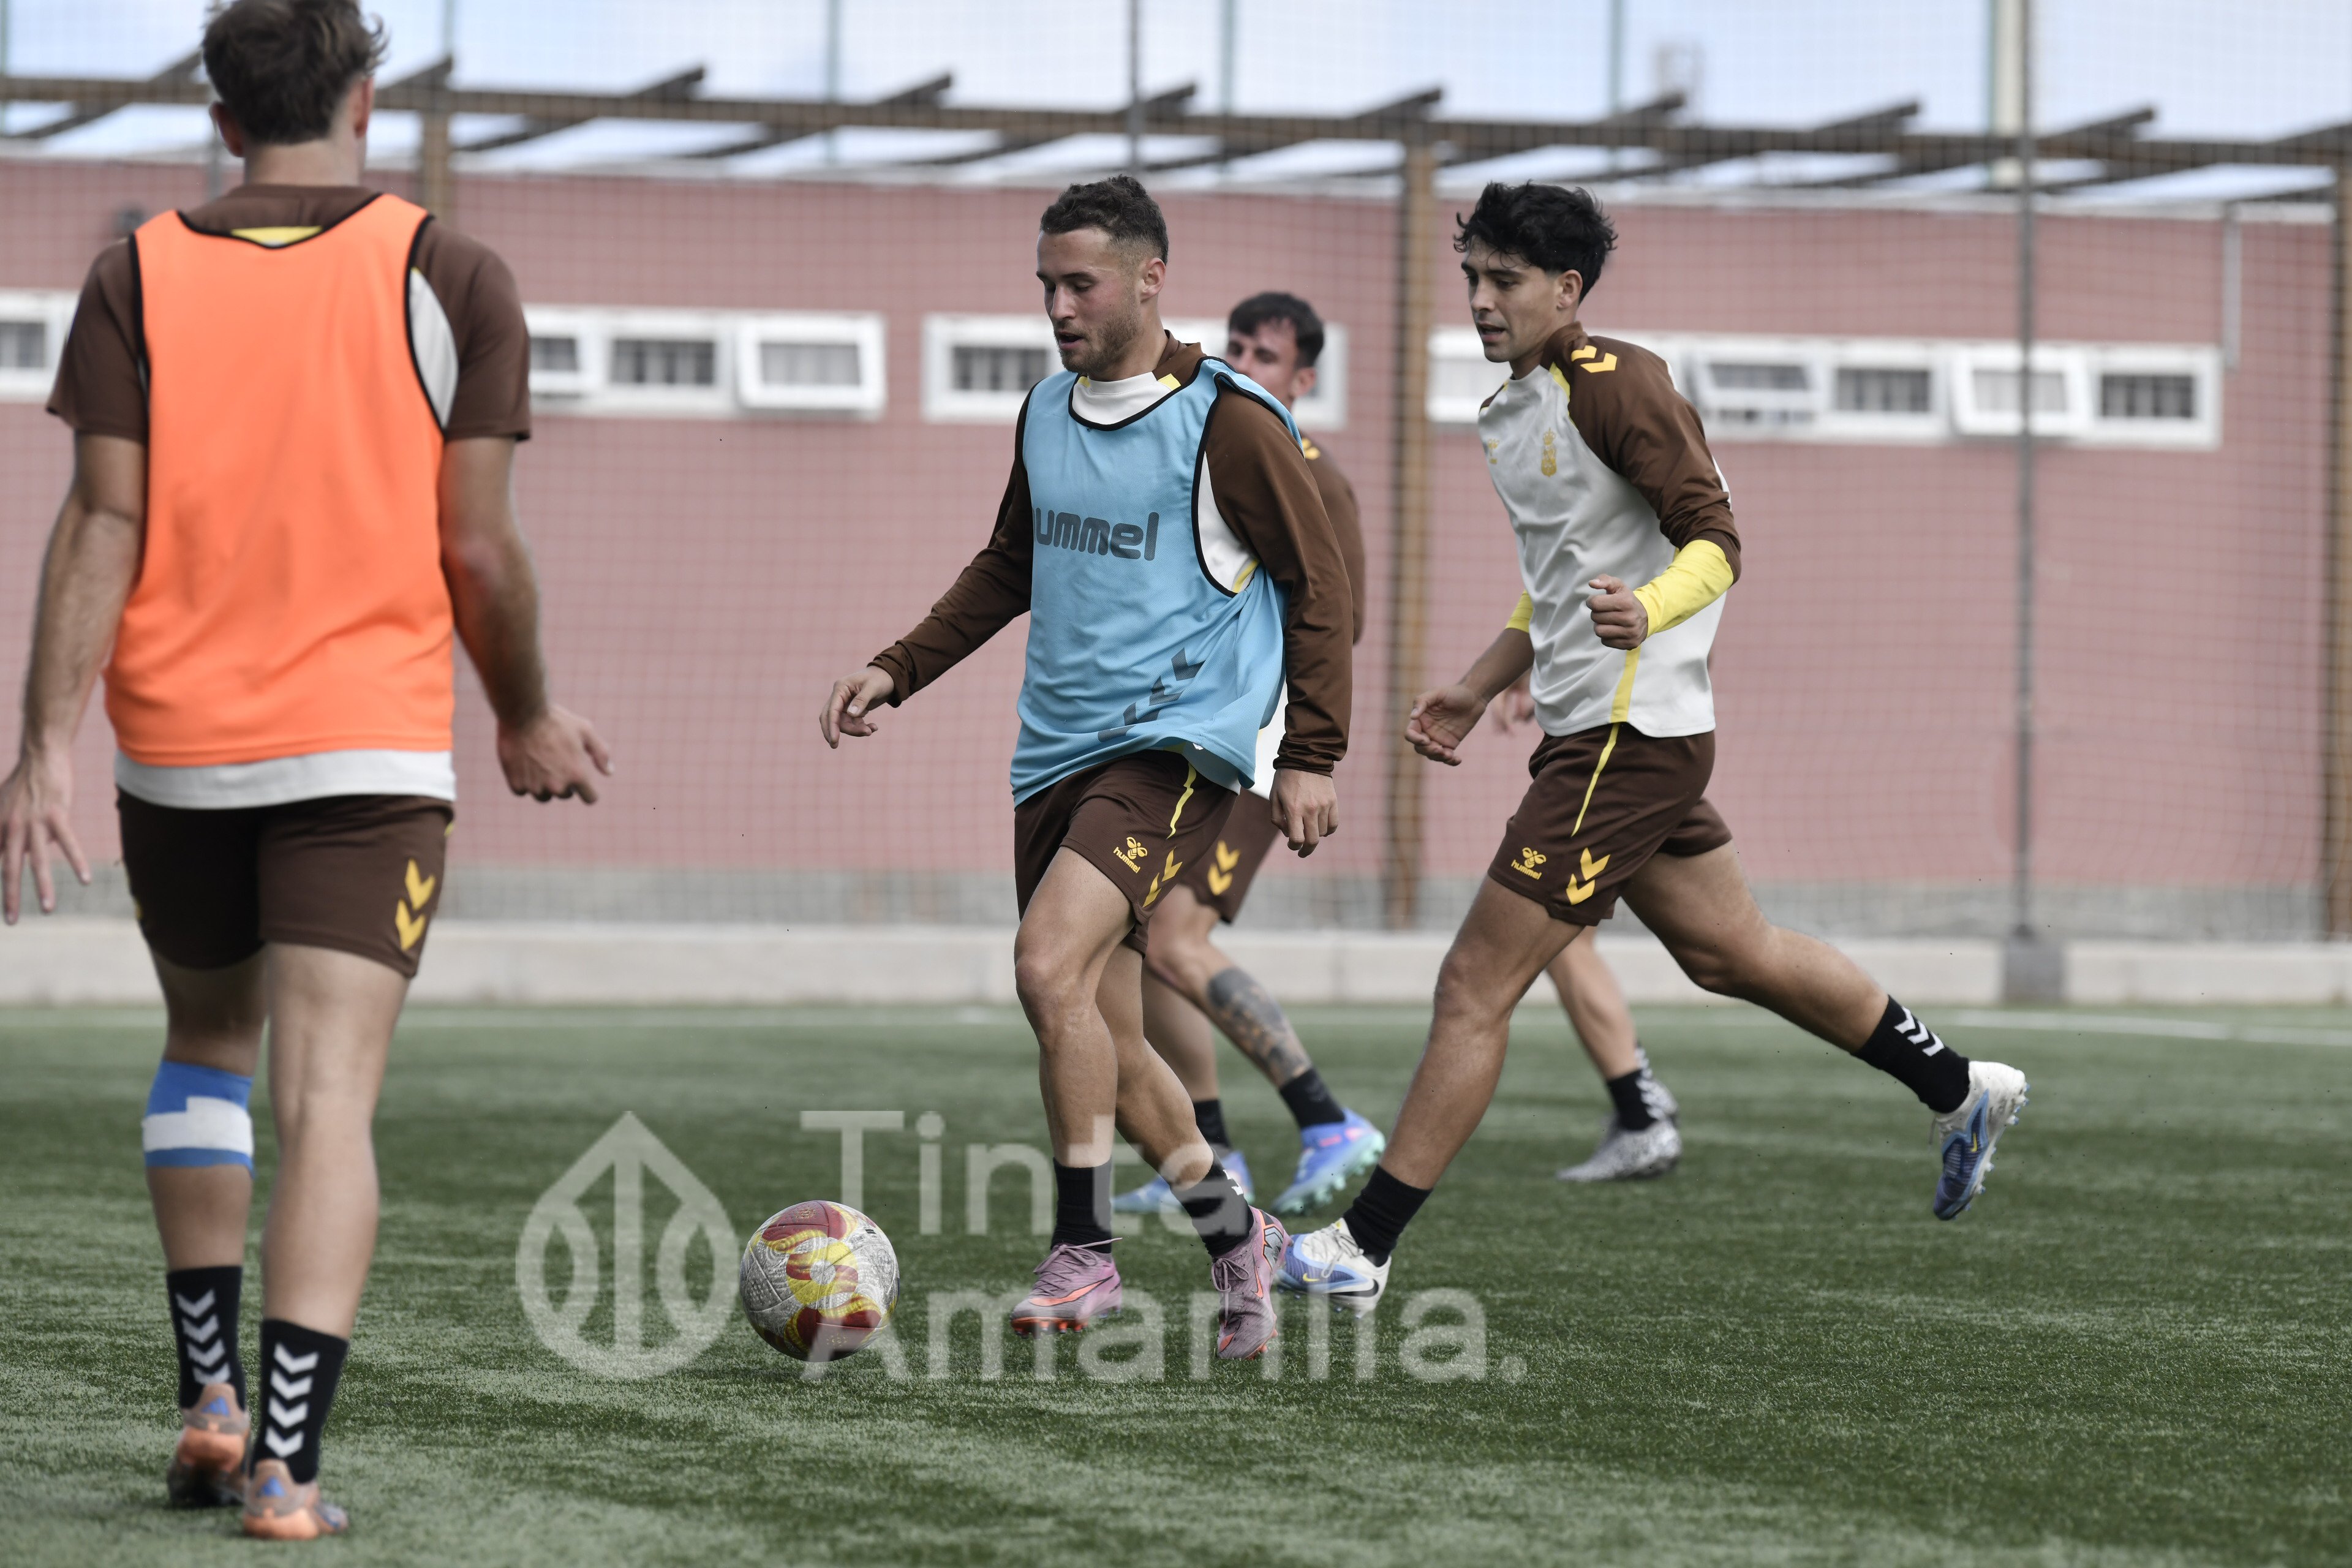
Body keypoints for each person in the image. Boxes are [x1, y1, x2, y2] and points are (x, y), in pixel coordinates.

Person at [0, 0, 609, 1537]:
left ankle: (206, 1402)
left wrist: (41, 748)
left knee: (205, 1048)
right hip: (365, 743)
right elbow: (477, 542)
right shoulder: (446, 270)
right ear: (366, 95)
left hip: (177, 750)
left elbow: (99, 525)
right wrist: (526, 709)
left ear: (220, 118)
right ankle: (287, 1464)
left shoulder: (133, 271)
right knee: (326, 1096)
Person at [1281, 182, 2028, 1316]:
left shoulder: (1619, 383)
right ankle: (1959, 1087)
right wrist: (1483, 687)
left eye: (1506, 281)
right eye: (1473, 277)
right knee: (1732, 953)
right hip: (1609, 735)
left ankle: (1364, 1246)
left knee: (1474, 984)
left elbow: (1715, 540)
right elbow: (1558, 584)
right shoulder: (1513, 407)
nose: (1481, 301)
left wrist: (1656, 608)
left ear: (1567, 289)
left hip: (1626, 746)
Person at [820, 177, 1354, 1360]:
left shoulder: (1232, 420)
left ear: (1152, 277)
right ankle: (1240, 1240)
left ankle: (1086, 1252)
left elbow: (1320, 589)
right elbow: (1009, 563)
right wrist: (897, 667)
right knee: (1105, 1035)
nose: (1059, 307)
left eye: (1082, 284)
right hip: (1050, 758)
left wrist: (1312, 754)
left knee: (1044, 966)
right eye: (1048, 286)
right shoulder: (1046, 412)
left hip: (1170, 751)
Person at [1112, 292, 1385, 1219]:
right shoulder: (1211, 444)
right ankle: (1211, 1146)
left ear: (1303, 380)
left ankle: (1326, 1118)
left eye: (1263, 355)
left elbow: (1335, 621)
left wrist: (1300, 747)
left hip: (1258, 745)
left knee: (1176, 937)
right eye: (1232, 345)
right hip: (1192, 732)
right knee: (1146, 936)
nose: (1240, 361)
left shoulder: (1309, 471)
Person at [1491, 677, 1682, 1182]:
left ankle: (1643, 1114)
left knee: (1555, 941)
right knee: (1734, 954)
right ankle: (1642, 1100)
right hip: (1642, 745)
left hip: (1622, 754)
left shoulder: (1669, 600)